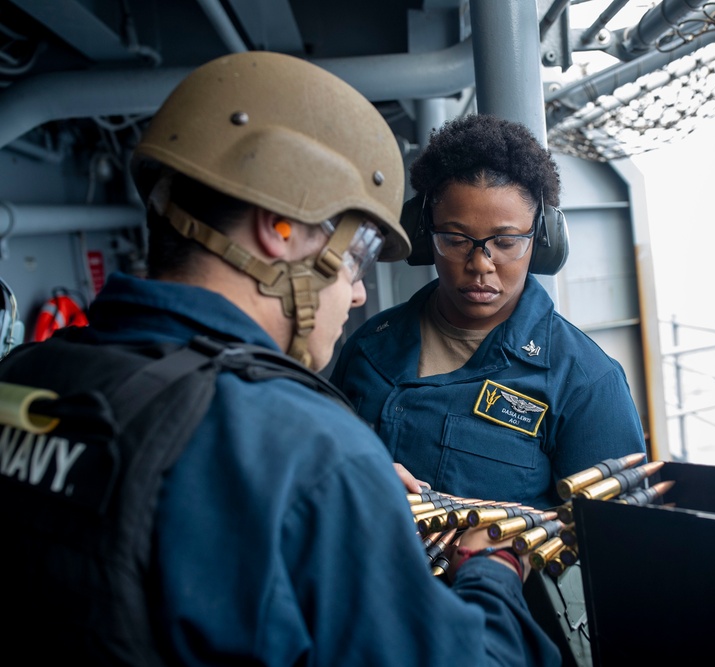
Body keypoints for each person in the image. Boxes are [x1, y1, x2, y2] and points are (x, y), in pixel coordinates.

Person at [0, 52, 559, 667]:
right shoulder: (310, 455)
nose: (357, 290)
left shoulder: (23, 377)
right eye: (358, 252)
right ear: (281, 229)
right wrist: (491, 568)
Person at [331, 113, 647, 512]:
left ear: (542, 241)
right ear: (425, 233)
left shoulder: (584, 382)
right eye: (456, 238)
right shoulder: (368, 346)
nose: (481, 264)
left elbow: (614, 543)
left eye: (507, 241)